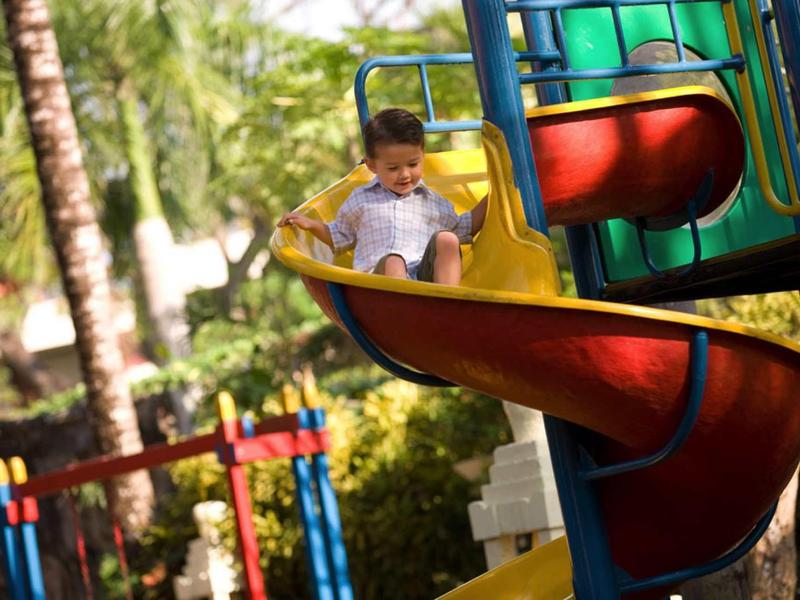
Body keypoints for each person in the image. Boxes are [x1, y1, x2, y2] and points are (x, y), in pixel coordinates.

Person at [277, 108, 488, 286]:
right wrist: (310, 225)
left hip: (426, 282)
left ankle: (448, 301)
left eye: (413, 164)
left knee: (447, 239)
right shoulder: (361, 200)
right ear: (371, 165)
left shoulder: (432, 202)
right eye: (393, 168)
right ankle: (403, 309)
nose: (405, 174)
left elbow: (464, 227)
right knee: (394, 262)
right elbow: (338, 235)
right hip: (380, 286)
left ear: (422, 156)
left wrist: (496, 194)